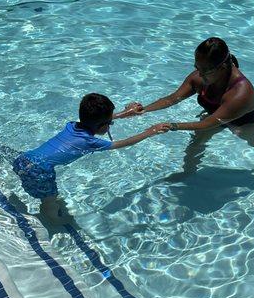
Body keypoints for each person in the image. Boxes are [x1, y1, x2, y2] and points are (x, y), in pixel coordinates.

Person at [114, 37, 254, 175]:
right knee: (196, 143)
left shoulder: (241, 93)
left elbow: (207, 124)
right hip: (216, 116)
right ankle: (188, 175)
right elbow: (172, 99)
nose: (199, 74)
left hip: (245, 123)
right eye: (197, 68)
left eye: (205, 70)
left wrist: (170, 126)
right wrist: (142, 110)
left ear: (223, 67)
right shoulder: (202, 77)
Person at [13, 93, 171, 227]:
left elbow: (95, 121)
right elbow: (125, 143)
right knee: (49, 201)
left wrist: (124, 113)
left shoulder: (72, 125)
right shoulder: (91, 142)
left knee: (45, 194)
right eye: (110, 123)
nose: (111, 124)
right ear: (103, 125)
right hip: (40, 171)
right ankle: (54, 222)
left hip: (25, 158)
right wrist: (150, 132)